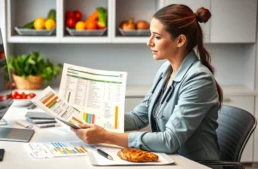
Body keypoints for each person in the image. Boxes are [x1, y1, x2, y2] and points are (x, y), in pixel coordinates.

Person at [72, 4, 223, 161]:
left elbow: (170, 140)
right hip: (169, 159)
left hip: (195, 164)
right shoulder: (166, 70)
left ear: (180, 40)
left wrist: (106, 136)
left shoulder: (199, 80)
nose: (149, 42)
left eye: (157, 37)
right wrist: (95, 119)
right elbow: (139, 117)